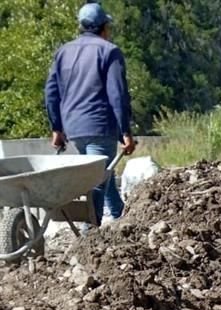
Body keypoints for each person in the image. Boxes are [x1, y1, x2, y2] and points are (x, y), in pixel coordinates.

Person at [44, 2, 136, 225]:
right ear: (103, 27)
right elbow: (117, 94)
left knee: (102, 174)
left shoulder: (63, 52)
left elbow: (51, 92)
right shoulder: (109, 51)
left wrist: (57, 128)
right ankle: (89, 236)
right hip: (99, 125)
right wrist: (125, 131)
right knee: (97, 182)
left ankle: (120, 218)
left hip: (73, 128)